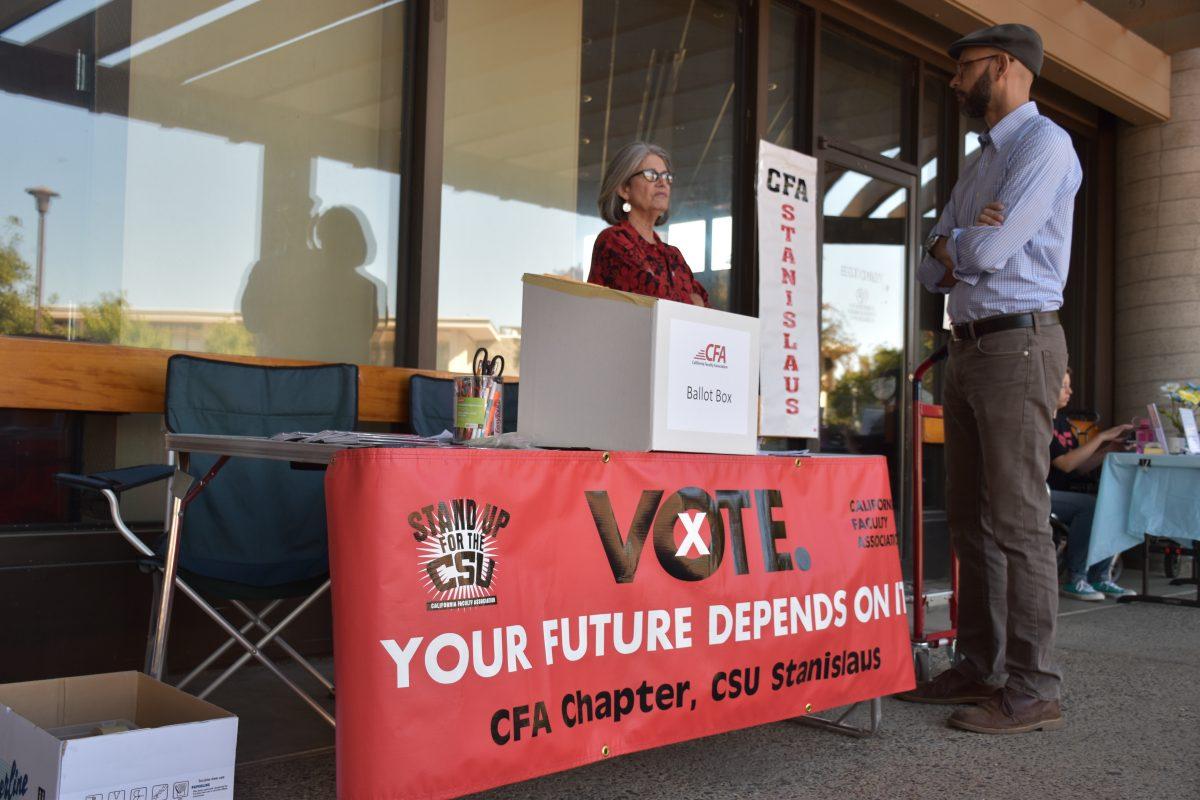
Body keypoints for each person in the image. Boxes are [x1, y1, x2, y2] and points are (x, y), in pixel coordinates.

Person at [896, 23, 1083, 735]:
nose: (953, 81)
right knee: (971, 520)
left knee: (1016, 520)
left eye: (963, 67)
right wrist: (956, 244)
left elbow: (992, 249)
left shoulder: (1044, 147)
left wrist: (958, 243)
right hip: (968, 347)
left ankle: (1035, 686)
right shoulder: (982, 164)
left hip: (1018, 347)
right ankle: (979, 666)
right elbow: (926, 262)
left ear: (1002, 67)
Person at [1049, 369, 1135, 600]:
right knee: (1089, 506)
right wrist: (1101, 437)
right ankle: (1075, 578)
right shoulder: (1043, 421)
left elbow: (1079, 467)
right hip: (1041, 493)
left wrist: (1108, 450)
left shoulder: (1063, 422)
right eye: (1063, 386)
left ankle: (1100, 577)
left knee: (1111, 504)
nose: (1070, 391)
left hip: (1064, 493)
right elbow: (1065, 464)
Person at [588, 141, 708, 306]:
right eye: (651, 175)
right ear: (624, 188)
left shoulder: (673, 255)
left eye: (667, 177)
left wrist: (694, 302)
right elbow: (654, 300)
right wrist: (692, 301)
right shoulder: (613, 240)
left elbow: (705, 308)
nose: (662, 183)